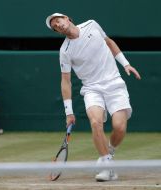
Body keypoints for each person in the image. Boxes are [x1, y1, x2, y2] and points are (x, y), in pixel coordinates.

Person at [46, 13, 141, 181]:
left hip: (114, 84)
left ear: (67, 18)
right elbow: (66, 82)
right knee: (96, 122)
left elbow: (109, 42)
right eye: (55, 26)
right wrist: (69, 112)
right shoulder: (65, 51)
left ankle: (109, 152)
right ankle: (106, 166)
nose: (58, 25)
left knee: (119, 127)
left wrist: (126, 64)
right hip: (92, 89)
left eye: (58, 21)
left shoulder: (92, 24)